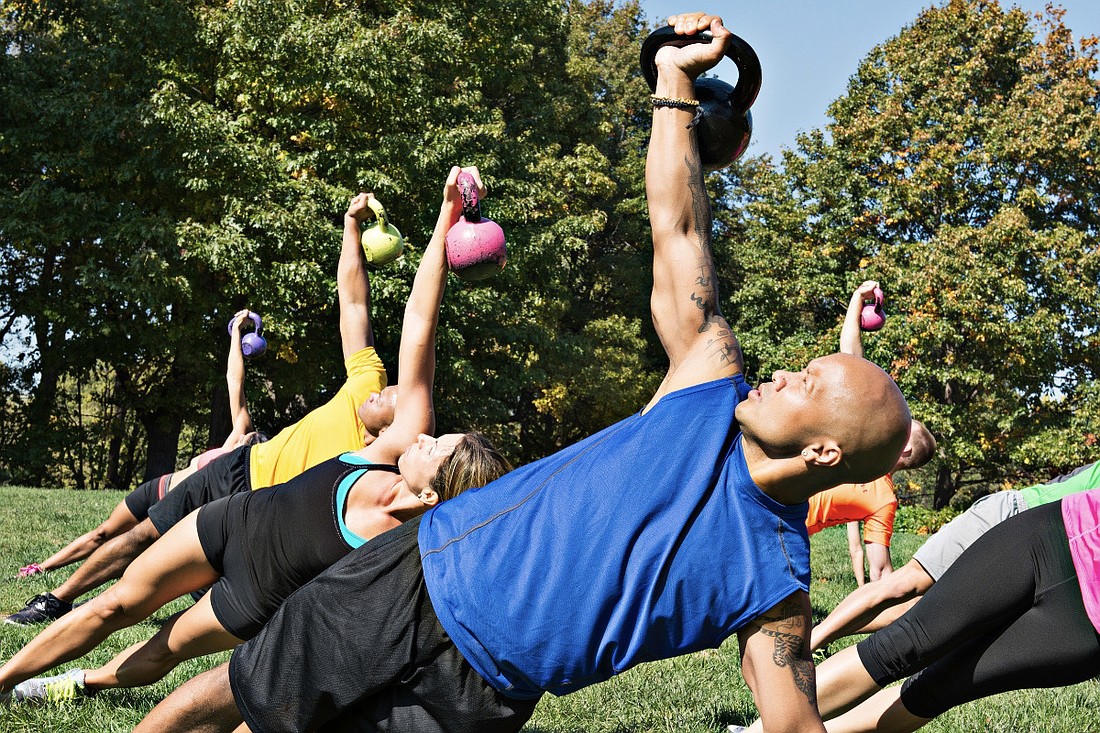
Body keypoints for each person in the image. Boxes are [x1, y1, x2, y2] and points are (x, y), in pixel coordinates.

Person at [132, 13, 912, 733]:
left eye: (805, 385)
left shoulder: (774, 584)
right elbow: (680, 228)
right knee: (236, 699)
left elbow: (794, 721)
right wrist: (673, 80)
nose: (781, 375)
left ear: (823, 456)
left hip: (487, 693)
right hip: (425, 566)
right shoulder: (710, 384)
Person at [0, 167, 512, 704]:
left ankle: (75, 683)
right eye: (434, 436)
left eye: (435, 449)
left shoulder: (402, 547)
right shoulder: (394, 441)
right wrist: (446, 216)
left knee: (165, 649)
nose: (424, 439)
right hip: (231, 521)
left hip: (255, 596)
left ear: (432, 494)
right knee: (115, 604)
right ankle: (5, 679)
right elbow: (418, 323)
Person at [4, 189, 397, 626]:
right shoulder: (366, 382)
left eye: (395, 398)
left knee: (185, 576)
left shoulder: (372, 471)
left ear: (393, 432)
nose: (386, 389)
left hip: (261, 510)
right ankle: (55, 599)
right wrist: (350, 225)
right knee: (142, 535)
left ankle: (135, 620)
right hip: (236, 468)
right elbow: (353, 302)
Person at [798, 487, 1100, 733]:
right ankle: (767, 727)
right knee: (903, 643)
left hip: (1086, 626)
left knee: (935, 692)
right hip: (1058, 534)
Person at [12, 310, 268, 586]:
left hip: (175, 515)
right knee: (104, 533)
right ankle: (40, 568)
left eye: (252, 440)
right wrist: (236, 335)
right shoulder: (236, 438)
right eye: (251, 434)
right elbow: (234, 381)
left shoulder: (238, 470)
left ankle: (79, 596)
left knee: (132, 555)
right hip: (159, 489)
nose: (248, 436)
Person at [808, 458, 1100, 652]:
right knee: (906, 585)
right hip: (1012, 514)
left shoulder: (881, 494)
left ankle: (818, 638)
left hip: (1044, 548)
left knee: (923, 607)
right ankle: (810, 642)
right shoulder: (879, 492)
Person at [804, 282, 936, 585]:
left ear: (904, 451)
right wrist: (856, 299)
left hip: (782, 528)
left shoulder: (883, 499)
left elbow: (880, 571)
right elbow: (852, 361)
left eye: (905, 427)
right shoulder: (864, 439)